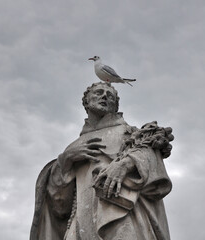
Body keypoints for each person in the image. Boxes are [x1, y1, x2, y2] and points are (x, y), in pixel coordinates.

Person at [30, 82, 174, 240]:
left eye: (110, 95)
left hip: (122, 216)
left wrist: (125, 164)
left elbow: (153, 162)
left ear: (115, 105)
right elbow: (59, 206)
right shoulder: (73, 147)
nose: (105, 96)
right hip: (80, 224)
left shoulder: (131, 134)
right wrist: (65, 162)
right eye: (98, 92)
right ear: (86, 102)